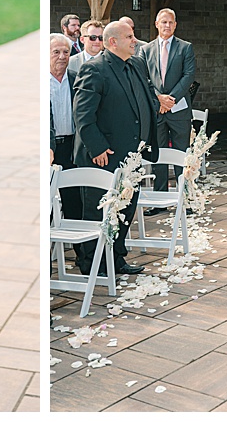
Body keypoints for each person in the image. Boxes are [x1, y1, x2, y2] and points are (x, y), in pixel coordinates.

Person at [71, 19, 159, 276]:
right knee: (98, 211)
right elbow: (83, 114)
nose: (135, 40)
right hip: (103, 156)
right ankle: (92, 263)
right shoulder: (94, 69)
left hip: (131, 157)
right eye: (130, 37)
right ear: (113, 42)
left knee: (125, 209)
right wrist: (97, 148)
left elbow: (144, 99)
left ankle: (116, 257)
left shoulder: (137, 64)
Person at [139, 8, 195, 195]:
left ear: (176, 25)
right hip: (157, 110)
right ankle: (160, 194)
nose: (167, 25)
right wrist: (159, 99)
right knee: (159, 154)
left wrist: (171, 99)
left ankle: (185, 197)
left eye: (171, 22)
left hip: (179, 110)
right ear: (157, 24)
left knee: (182, 155)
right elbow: (143, 77)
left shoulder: (185, 47)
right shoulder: (145, 50)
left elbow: (189, 75)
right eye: (164, 22)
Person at [48, 33, 81, 223]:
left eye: (66, 52)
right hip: (48, 148)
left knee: (73, 200)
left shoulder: (76, 79)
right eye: (56, 52)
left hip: (70, 147)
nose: (62, 56)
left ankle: (80, 252)